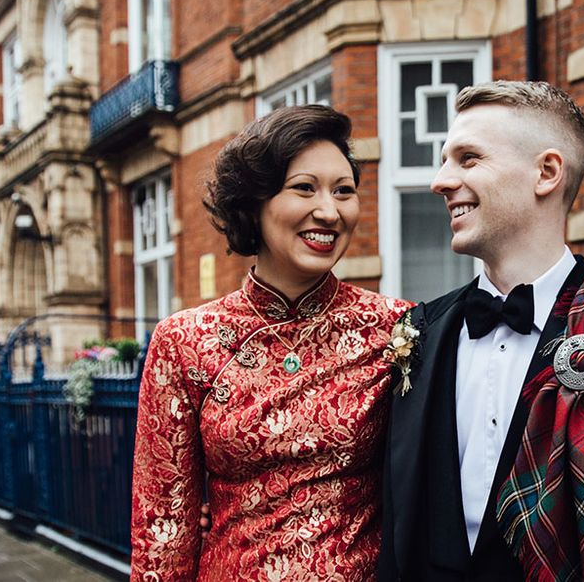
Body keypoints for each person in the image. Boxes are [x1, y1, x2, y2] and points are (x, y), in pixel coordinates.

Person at [378, 81, 584, 581]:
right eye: (444, 160)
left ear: (546, 173)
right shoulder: (420, 332)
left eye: (468, 159)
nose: (440, 181)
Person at [130, 105, 411, 581]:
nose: (329, 210)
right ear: (254, 202)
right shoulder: (183, 342)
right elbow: (162, 528)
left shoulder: (397, 328)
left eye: (344, 191)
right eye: (304, 188)